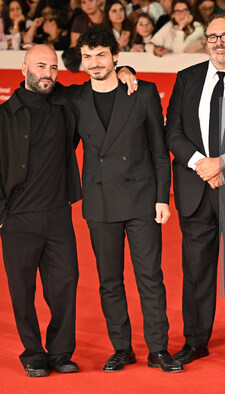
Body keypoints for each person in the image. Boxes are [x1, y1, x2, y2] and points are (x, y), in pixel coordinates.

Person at [67, 25, 182, 373]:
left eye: (101, 55)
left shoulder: (143, 92)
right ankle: (121, 347)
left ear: (116, 56)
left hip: (142, 200)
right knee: (109, 280)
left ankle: (158, 349)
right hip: (99, 203)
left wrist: (163, 198)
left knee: (150, 277)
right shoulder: (75, 99)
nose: (94, 62)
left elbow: (160, 152)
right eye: (87, 56)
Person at [164, 13, 225, 365]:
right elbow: (172, 131)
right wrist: (200, 164)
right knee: (195, 268)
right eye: (212, 37)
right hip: (195, 187)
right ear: (205, 40)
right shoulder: (187, 79)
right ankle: (195, 339)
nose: (219, 43)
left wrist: (222, 162)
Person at [0, 44, 81, 378]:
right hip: (18, 219)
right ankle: (33, 352)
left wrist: (127, 71)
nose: (48, 73)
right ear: (23, 69)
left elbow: (94, 86)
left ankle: (60, 351)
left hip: (58, 215)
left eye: (53, 68)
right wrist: (2, 216)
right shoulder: (0, 117)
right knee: (22, 291)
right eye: (41, 66)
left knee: (65, 284)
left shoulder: (66, 105)